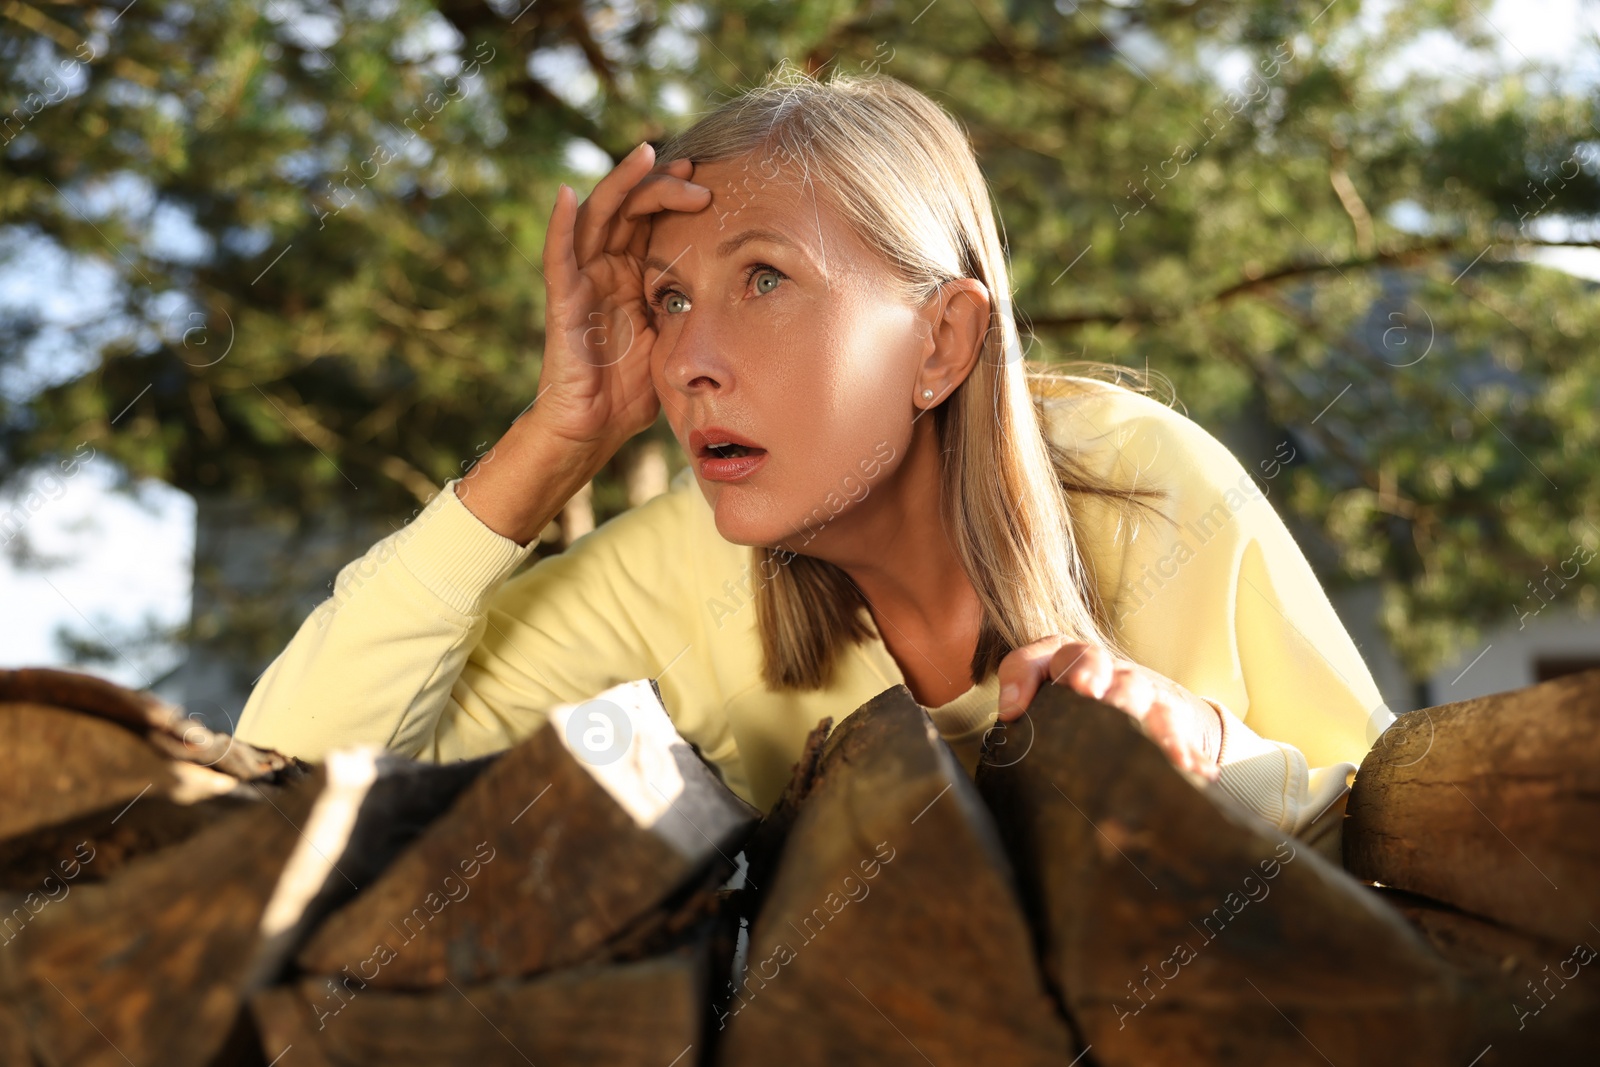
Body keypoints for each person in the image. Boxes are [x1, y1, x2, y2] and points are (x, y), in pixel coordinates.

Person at [235, 68, 1393, 847]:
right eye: (669, 297)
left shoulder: (1140, 479)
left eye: (765, 279)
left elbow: (1388, 839)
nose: (689, 356)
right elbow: (278, 788)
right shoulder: (675, 564)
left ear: (940, 339)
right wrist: (553, 444)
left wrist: (1202, 753)